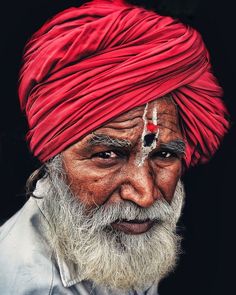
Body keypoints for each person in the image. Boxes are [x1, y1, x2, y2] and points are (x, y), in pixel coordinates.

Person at [0, 0, 230, 294]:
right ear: (53, 163)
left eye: (164, 155)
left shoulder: (128, 237)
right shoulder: (22, 283)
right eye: (108, 155)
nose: (145, 196)